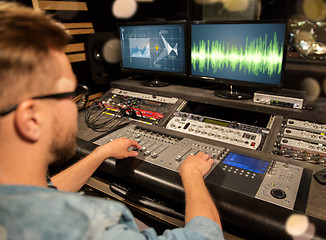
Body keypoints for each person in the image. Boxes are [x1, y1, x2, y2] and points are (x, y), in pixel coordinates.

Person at [0, 2, 224, 239]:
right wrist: (192, 174)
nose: (77, 102)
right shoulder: (93, 228)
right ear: (31, 119)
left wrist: (101, 153)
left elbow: (46, 191)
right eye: (69, 92)